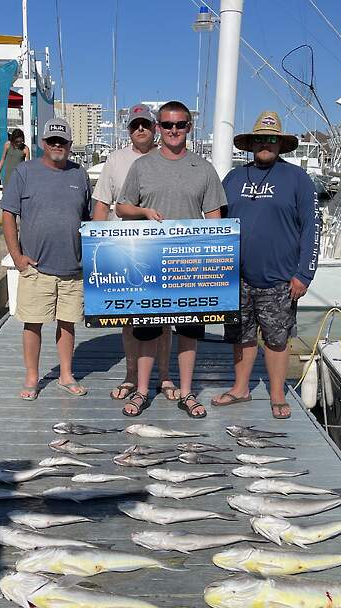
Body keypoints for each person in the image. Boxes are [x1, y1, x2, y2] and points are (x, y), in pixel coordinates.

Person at [116, 100, 226, 419]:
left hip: (190, 266)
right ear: (158, 128)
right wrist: (143, 212)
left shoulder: (204, 168)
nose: (173, 130)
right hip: (148, 264)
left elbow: (216, 219)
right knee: (147, 332)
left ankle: (188, 392)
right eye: (166, 125)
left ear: (189, 128)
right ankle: (141, 390)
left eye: (179, 125)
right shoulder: (142, 165)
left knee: (189, 332)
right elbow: (122, 207)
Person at [214, 111, 319, 419]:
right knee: (242, 335)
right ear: (251, 143)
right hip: (238, 277)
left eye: (271, 139)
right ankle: (240, 388)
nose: (265, 144)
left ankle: (277, 395)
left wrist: (304, 274)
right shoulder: (234, 178)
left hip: (280, 279)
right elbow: (215, 220)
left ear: (280, 144)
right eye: (260, 138)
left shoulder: (298, 179)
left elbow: (313, 228)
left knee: (277, 338)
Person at [91, 103, 178, 403]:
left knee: (165, 319)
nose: (140, 129)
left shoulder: (167, 156)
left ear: (154, 127)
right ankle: (131, 376)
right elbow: (102, 205)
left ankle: (165, 375)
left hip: (161, 250)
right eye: (134, 125)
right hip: (123, 250)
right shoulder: (115, 160)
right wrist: (93, 252)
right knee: (129, 320)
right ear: (128, 130)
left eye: (145, 124)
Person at [1, 118, 92, 401]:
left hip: (73, 268)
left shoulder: (80, 175)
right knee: (33, 323)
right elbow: (7, 214)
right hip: (36, 268)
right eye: (52, 141)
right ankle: (32, 377)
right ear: (42, 144)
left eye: (62, 142)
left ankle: (66, 374)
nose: (57, 146)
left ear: (69, 145)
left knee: (68, 324)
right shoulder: (24, 172)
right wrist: (17, 257)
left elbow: (88, 219)